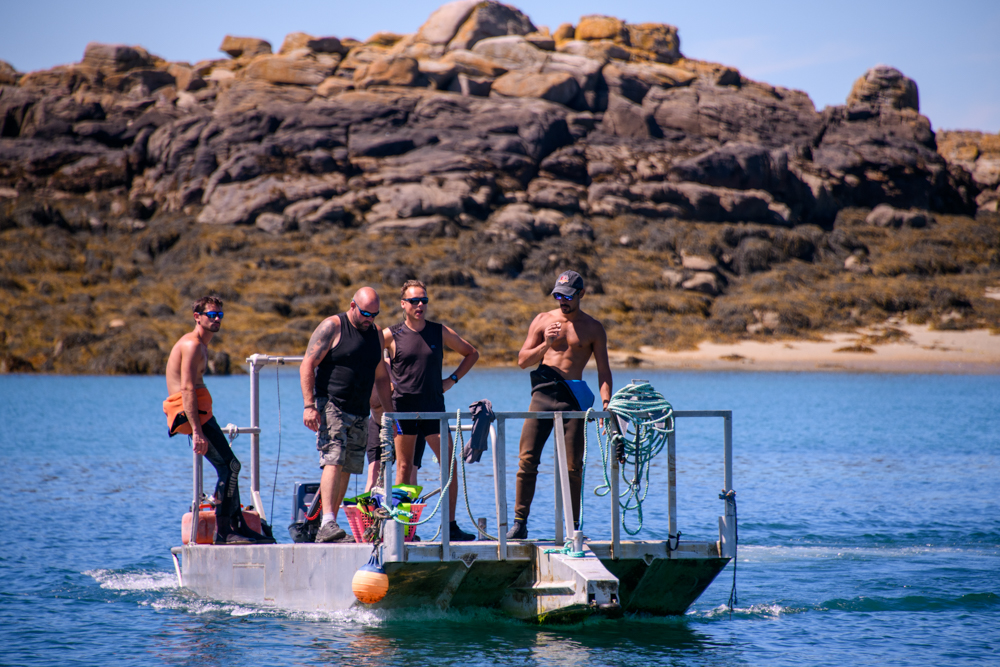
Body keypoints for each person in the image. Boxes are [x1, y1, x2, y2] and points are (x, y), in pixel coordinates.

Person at [507, 271, 613, 540]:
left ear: (581, 295)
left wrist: (605, 404)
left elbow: (604, 371)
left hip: (572, 399)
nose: (562, 301)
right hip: (542, 394)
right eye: (558, 295)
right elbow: (522, 361)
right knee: (527, 460)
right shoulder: (543, 320)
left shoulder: (593, 328)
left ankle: (573, 528)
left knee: (572, 466)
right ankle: (519, 524)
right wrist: (546, 344)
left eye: (567, 296)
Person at [164, 296, 273, 545]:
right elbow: (188, 389)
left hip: (200, 414)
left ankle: (237, 525)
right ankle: (225, 530)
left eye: (219, 315)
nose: (215, 319)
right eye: (211, 315)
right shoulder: (191, 345)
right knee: (230, 467)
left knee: (231, 467)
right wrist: (197, 432)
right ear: (197, 317)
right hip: (192, 416)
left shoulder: (202, 345)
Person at [383, 280, 480, 541]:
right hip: (403, 409)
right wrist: (386, 378)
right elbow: (368, 356)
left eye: (424, 300)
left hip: (434, 409)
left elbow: (471, 353)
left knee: (449, 464)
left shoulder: (439, 331)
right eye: (414, 301)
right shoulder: (391, 334)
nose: (420, 305)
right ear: (403, 304)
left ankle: (451, 526)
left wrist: (452, 380)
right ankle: (403, 530)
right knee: (404, 467)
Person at [300, 287, 394, 543]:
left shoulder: (375, 334)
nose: (369, 319)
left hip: (360, 409)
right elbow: (307, 363)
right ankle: (328, 521)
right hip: (332, 404)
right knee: (334, 458)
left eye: (374, 314)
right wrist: (309, 405)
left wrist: (390, 414)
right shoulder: (332, 326)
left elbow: (382, 376)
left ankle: (327, 525)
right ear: (353, 305)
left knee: (349, 466)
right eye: (365, 313)